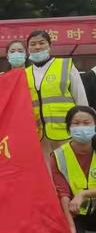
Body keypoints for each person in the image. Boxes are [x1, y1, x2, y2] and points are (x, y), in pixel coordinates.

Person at [26, 30, 88, 164]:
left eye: (42, 43)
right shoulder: (25, 73)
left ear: (50, 45)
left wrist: (83, 125)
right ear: (28, 48)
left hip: (66, 131)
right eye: (33, 44)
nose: (37, 47)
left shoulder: (65, 65)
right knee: (48, 173)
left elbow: (80, 97)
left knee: (70, 168)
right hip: (40, 135)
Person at [50, 106, 96, 233]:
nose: (81, 127)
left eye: (87, 123)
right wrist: (71, 227)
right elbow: (63, 193)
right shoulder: (59, 156)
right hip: (75, 211)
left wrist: (84, 194)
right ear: (69, 128)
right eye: (76, 123)